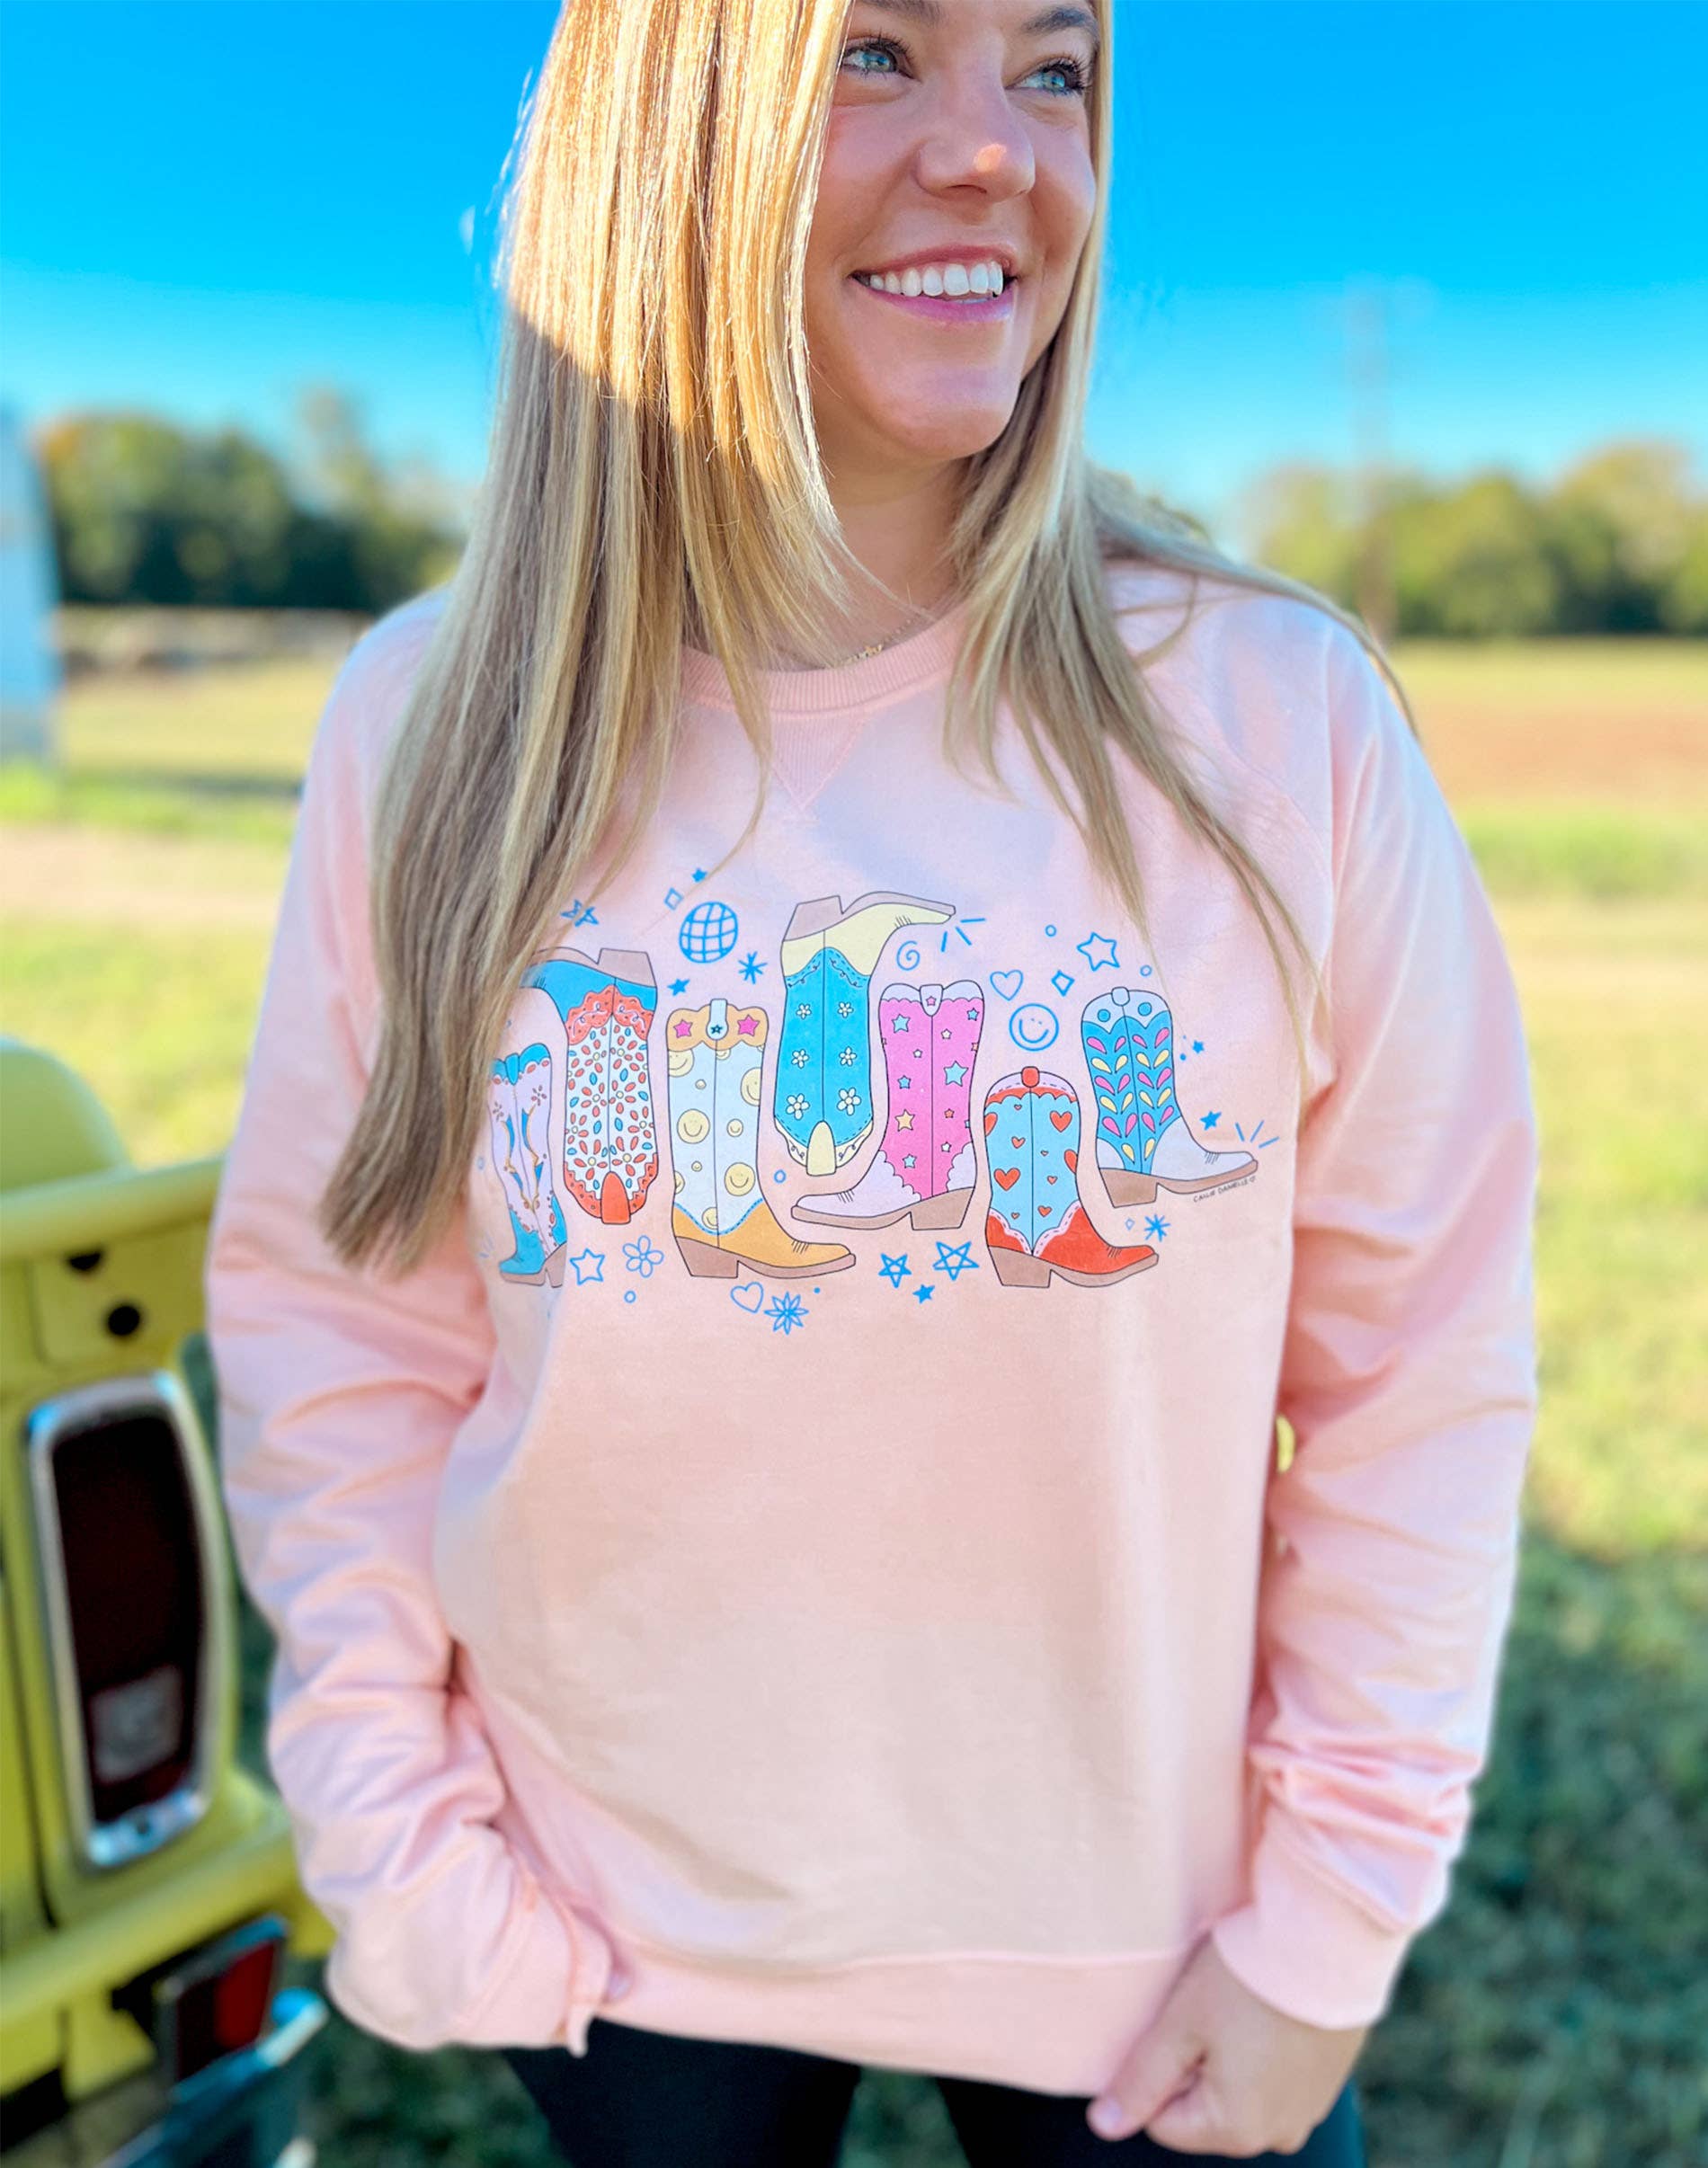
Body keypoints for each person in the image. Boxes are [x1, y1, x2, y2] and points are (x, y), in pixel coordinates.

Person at [203, 0, 1539, 2160]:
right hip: (610, 1926)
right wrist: (392, 1828)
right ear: (671, 118)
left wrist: (1328, 1917)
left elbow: (1420, 1366)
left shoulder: (1274, 719)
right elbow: (341, 1326)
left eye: (1053, 69)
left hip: (1146, 1945)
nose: (996, 151)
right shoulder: (431, 725)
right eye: (878, 55)